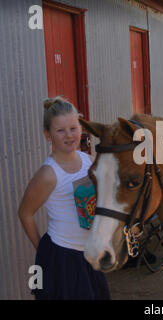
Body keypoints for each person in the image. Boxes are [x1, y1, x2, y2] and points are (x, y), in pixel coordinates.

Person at [18, 97, 110, 300]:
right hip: (63, 257)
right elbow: (25, 213)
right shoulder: (48, 174)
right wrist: (42, 249)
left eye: (73, 128)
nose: (69, 136)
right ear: (47, 135)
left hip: (89, 254)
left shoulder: (89, 161)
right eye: (60, 131)